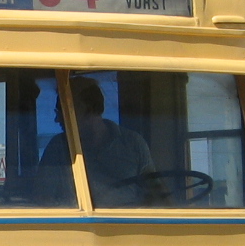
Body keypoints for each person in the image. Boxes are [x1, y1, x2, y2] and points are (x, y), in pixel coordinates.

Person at [36, 77, 159, 206]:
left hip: (128, 223)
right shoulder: (57, 147)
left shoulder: (133, 143)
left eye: (65, 111)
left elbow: (156, 193)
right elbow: (43, 198)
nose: (57, 119)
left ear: (90, 109)